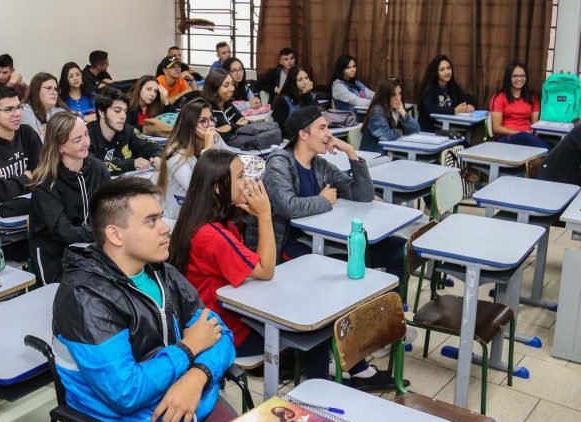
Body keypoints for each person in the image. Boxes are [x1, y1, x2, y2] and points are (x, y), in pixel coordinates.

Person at [51, 177, 236, 422]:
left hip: (189, 397)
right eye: (151, 221)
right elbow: (125, 392)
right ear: (115, 234)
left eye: (161, 217)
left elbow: (220, 335)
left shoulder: (163, 274)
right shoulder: (83, 297)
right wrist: (189, 348)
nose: (165, 228)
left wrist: (197, 376)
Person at [258, 106, 406, 389]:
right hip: (284, 248)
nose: (329, 134)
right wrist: (325, 200)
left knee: (396, 249)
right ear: (303, 134)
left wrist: (351, 153)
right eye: (323, 128)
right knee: (335, 278)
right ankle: (344, 368)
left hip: (320, 242)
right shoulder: (279, 163)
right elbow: (287, 206)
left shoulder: (319, 164)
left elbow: (362, 195)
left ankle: (379, 332)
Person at [168, 150, 276, 357]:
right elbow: (266, 270)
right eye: (240, 177)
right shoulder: (211, 234)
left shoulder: (201, 219)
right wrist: (265, 216)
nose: (248, 182)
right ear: (218, 188)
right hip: (224, 331)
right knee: (300, 339)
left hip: (212, 319)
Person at [29, 112, 109, 283]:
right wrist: (106, 231)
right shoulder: (46, 183)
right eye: (77, 139)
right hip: (56, 259)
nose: (86, 142)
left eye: (86, 134)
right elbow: (65, 233)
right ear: (60, 147)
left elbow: (113, 211)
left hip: (94, 250)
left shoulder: (98, 169)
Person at [157, 99, 235, 218]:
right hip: (182, 214)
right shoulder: (175, 153)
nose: (211, 124)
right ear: (190, 125)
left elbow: (233, 161)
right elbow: (197, 187)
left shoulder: (214, 138)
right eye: (203, 121)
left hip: (209, 205)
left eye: (211, 119)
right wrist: (208, 148)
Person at [88, 87, 163, 175]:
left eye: (125, 111)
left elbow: (151, 145)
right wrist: (131, 163)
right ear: (101, 112)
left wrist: (157, 156)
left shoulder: (128, 130)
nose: (123, 116)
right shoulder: (86, 135)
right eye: (117, 111)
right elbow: (92, 164)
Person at [489, 61, 546, 148]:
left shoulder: (533, 97)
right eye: (515, 76)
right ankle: (550, 154)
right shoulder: (499, 98)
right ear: (508, 78)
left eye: (523, 76)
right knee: (525, 137)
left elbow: (535, 125)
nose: (519, 79)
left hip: (528, 137)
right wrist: (520, 133)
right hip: (507, 137)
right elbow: (496, 128)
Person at [359, 78, 421, 154]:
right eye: (393, 94)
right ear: (385, 96)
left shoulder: (396, 110)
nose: (398, 98)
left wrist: (403, 112)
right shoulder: (377, 111)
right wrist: (401, 131)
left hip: (390, 154)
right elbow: (386, 135)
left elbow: (415, 130)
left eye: (399, 94)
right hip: (374, 156)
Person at [417, 55, 477, 132]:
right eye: (442, 70)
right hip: (429, 129)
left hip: (449, 127)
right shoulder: (429, 88)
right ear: (435, 72)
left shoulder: (453, 86)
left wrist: (470, 105)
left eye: (448, 68)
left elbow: (468, 98)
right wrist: (454, 110)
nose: (447, 72)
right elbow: (431, 108)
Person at [272, 67, 321, 135]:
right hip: (291, 136)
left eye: (306, 78)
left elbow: (317, 117)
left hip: (311, 134)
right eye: (300, 80)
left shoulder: (311, 95)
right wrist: (306, 95)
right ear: (293, 82)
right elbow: (283, 129)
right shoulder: (282, 101)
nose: (305, 82)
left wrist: (307, 95)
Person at [21, 72, 68, 138]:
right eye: (49, 88)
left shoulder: (61, 111)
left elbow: (67, 139)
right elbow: (34, 141)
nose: (54, 92)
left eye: (56, 89)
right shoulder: (25, 110)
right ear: (36, 90)